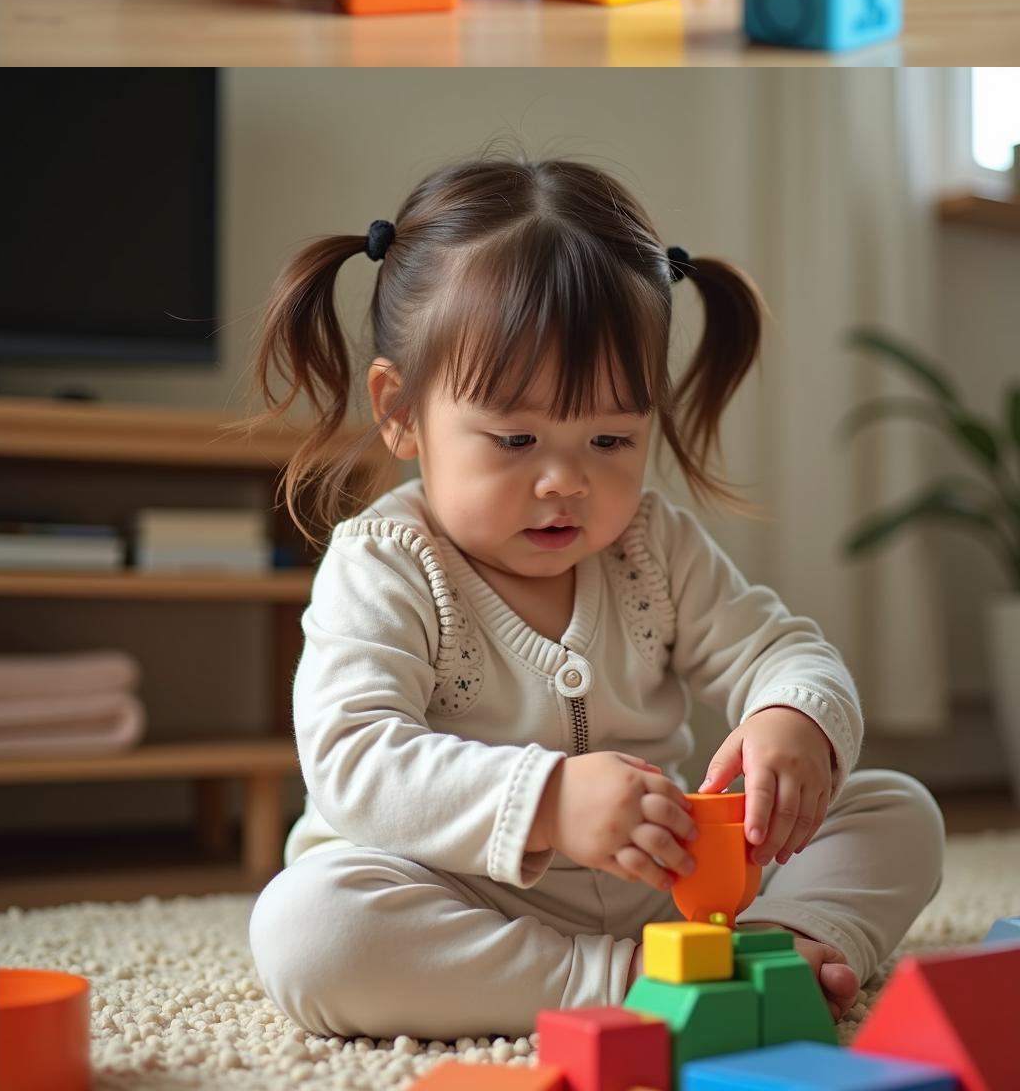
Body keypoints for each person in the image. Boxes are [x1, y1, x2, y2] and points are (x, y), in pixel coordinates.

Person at [243, 154, 943, 1042]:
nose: (565, 481)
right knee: (309, 929)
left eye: (612, 436)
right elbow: (353, 758)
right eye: (517, 438)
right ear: (401, 412)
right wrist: (548, 801)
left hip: (672, 889)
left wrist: (791, 719)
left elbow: (782, 649)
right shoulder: (384, 563)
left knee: (896, 810)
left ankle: (768, 948)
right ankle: (616, 985)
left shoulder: (656, 545)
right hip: (464, 896)